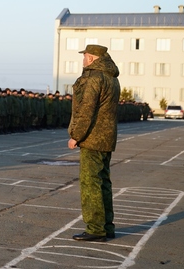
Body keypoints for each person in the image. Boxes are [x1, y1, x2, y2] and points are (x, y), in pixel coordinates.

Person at [68, 44, 120, 242]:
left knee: (90, 184)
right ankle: (107, 226)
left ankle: (96, 228)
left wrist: (76, 136)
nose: (83, 59)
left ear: (91, 58)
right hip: (106, 138)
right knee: (104, 182)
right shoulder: (111, 78)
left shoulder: (94, 78)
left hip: (92, 138)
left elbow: (86, 110)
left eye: (85, 56)